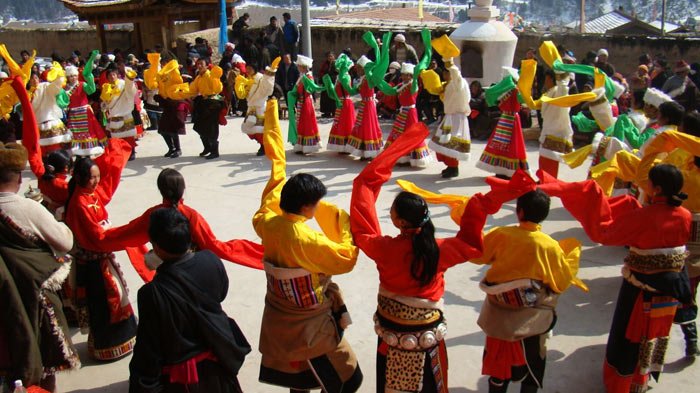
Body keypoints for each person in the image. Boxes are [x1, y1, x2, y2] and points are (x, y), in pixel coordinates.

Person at [350, 122, 521, 393]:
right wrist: (481, 204)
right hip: (427, 335)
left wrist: (371, 177)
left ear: (398, 221)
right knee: (431, 383)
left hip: (392, 335)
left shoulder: (383, 247)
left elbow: (361, 223)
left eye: (392, 212)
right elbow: (470, 243)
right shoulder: (439, 249)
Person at [539, 165, 692, 393]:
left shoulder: (643, 217)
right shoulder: (685, 215)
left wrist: (591, 198)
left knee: (629, 339)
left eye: (648, 182)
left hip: (639, 290)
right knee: (654, 335)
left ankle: (621, 384)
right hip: (670, 292)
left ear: (657, 188)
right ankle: (643, 378)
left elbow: (606, 233)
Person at [254, 97, 363, 392]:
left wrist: (278, 168)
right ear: (305, 208)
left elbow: (268, 201)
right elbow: (345, 259)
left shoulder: (268, 225)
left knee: (297, 379)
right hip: (310, 319)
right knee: (345, 379)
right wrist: (338, 217)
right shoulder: (307, 238)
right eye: (315, 204)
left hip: (279, 314)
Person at [473, 187, 587, 393]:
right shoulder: (550, 246)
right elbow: (560, 283)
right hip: (532, 319)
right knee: (533, 364)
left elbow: (477, 255)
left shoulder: (502, 235)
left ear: (520, 212)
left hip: (498, 316)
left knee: (498, 368)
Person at [128, 208, 251, 393]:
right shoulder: (211, 261)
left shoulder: (152, 293)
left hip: (184, 379)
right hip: (219, 364)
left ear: (158, 248)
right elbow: (220, 294)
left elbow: (149, 349)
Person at [0, 142, 78, 392]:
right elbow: (65, 241)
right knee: (45, 366)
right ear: (19, 180)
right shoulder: (28, 208)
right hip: (35, 297)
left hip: (3, 301)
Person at [101, 168, 264, 282]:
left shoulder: (153, 213)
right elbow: (210, 243)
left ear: (161, 190)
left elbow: (130, 232)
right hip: (190, 266)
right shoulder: (190, 213)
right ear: (182, 189)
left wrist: (104, 233)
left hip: (164, 267)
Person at [63, 140, 138, 361]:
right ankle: (107, 346)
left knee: (117, 297)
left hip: (103, 257)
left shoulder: (91, 194)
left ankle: (125, 339)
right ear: (80, 178)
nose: (96, 182)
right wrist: (121, 235)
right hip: (94, 262)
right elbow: (96, 235)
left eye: (97, 176)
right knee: (104, 303)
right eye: (92, 177)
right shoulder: (78, 203)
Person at [425, 35, 471, 178]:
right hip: (449, 117)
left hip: (456, 117)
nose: (445, 75)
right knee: (442, 143)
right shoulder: (448, 85)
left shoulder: (458, 82)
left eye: (446, 73)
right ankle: (450, 166)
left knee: (451, 144)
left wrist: (449, 62)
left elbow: (455, 74)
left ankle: (453, 167)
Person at [380, 59, 432, 167]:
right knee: (399, 135)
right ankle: (402, 157)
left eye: (406, 75)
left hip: (410, 113)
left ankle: (411, 157)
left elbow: (414, 84)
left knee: (410, 134)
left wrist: (416, 74)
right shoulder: (400, 85)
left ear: (410, 76)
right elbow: (390, 90)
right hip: (402, 112)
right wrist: (379, 82)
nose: (403, 77)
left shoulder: (413, 85)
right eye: (403, 75)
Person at [64, 50, 106, 157]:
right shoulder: (65, 89)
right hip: (73, 114)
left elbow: (91, 90)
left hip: (84, 112)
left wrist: (90, 78)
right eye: (71, 76)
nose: (73, 78)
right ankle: (77, 151)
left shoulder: (82, 84)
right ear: (67, 78)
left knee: (89, 131)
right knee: (74, 133)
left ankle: (88, 150)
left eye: (74, 75)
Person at [188, 58, 226, 159]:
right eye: (198, 64)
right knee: (199, 127)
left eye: (201, 64)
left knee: (211, 128)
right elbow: (193, 90)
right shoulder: (199, 77)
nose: (199, 66)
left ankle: (214, 151)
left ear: (206, 65)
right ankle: (207, 147)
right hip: (204, 102)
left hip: (213, 103)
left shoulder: (210, 75)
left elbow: (218, 88)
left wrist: (216, 78)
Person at [240, 58, 280, 156]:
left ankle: (263, 146)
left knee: (260, 129)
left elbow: (268, 87)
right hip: (251, 107)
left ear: (255, 69)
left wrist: (270, 72)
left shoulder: (261, 78)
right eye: (247, 68)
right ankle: (262, 144)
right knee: (250, 128)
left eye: (250, 68)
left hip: (260, 107)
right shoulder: (248, 79)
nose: (248, 70)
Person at [287, 55, 324, 154]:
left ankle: (308, 146)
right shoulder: (302, 77)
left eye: (299, 66)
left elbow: (311, 89)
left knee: (307, 123)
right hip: (301, 102)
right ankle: (301, 145)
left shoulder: (308, 77)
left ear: (303, 66)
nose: (298, 67)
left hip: (306, 102)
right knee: (301, 123)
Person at [101, 63, 139, 159]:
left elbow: (130, 90)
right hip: (114, 114)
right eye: (109, 75)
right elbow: (105, 101)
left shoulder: (123, 84)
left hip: (125, 112)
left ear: (117, 75)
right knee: (117, 137)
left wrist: (129, 79)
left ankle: (132, 152)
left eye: (113, 74)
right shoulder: (106, 88)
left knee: (128, 135)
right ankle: (121, 152)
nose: (112, 77)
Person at [323, 54, 356, 154]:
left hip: (345, 103)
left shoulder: (345, 77)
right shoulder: (341, 76)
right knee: (340, 123)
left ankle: (346, 146)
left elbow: (349, 90)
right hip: (341, 102)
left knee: (345, 124)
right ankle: (342, 146)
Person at [318, 51, 338, 118]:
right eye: (328, 56)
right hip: (326, 84)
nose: (330, 58)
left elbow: (337, 73)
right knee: (325, 99)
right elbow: (321, 72)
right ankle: (327, 112)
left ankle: (334, 111)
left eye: (331, 56)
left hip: (333, 83)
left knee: (333, 98)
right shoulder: (324, 64)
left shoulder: (336, 64)